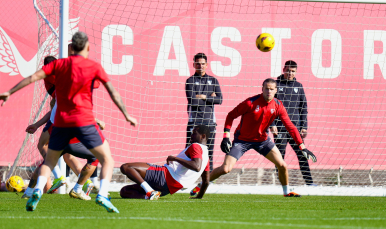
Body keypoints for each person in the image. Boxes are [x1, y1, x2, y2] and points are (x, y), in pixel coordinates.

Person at [0, 31, 138, 213]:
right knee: (107, 159)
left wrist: (10, 92)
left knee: (49, 162)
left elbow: (33, 77)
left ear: (71, 47)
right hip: (84, 121)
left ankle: (37, 192)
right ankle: (102, 194)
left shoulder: (58, 65)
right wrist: (127, 114)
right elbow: (113, 92)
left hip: (60, 123)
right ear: (87, 47)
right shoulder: (93, 66)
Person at [190, 78, 316, 197]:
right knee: (226, 169)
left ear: (276, 90)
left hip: (262, 141)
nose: (269, 91)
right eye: (266, 88)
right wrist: (226, 136)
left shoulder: (278, 105)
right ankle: (201, 184)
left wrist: (302, 146)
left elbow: (291, 127)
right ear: (262, 89)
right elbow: (230, 115)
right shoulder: (250, 102)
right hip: (242, 140)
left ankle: (286, 192)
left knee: (282, 165)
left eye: (272, 89)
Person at [120, 125, 210, 200]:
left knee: (126, 167)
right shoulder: (206, 157)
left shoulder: (196, 146)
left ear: (203, 136)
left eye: (194, 133)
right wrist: (199, 197)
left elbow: (196, 166)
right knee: (124, 191)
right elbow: (206, 182)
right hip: (168, 189)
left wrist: (174, 158)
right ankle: (148, 196)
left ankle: (150, 191)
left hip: (164, 176)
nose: (191, 135)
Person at [270, 60, 316, 185]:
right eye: (288, 70)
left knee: (302, 154)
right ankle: (281, 184)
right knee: (280, 157)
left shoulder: (299, 86)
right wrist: (272, 124)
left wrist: (304, 126)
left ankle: (310, 183)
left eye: (293, 71)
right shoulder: (275, 84)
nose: (290, 73)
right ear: (283, 69)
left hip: (294, 128)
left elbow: (303, 108)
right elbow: (269, 106)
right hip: (280, 127)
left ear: (296, 72)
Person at [185, 53, 222, 171]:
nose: (200, 66)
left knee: (208, 152)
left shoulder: (213, 80)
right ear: (194, 65)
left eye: (202, 64)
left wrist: (203, 97)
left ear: (206, 65)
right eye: (198, 64)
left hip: (210, 122)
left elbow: (220, 99)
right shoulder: (190, 81)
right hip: (194, 122)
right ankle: (184, 175)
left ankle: (208, 178)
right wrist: (211, 98)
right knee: (190, 150)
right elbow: (193, 101)